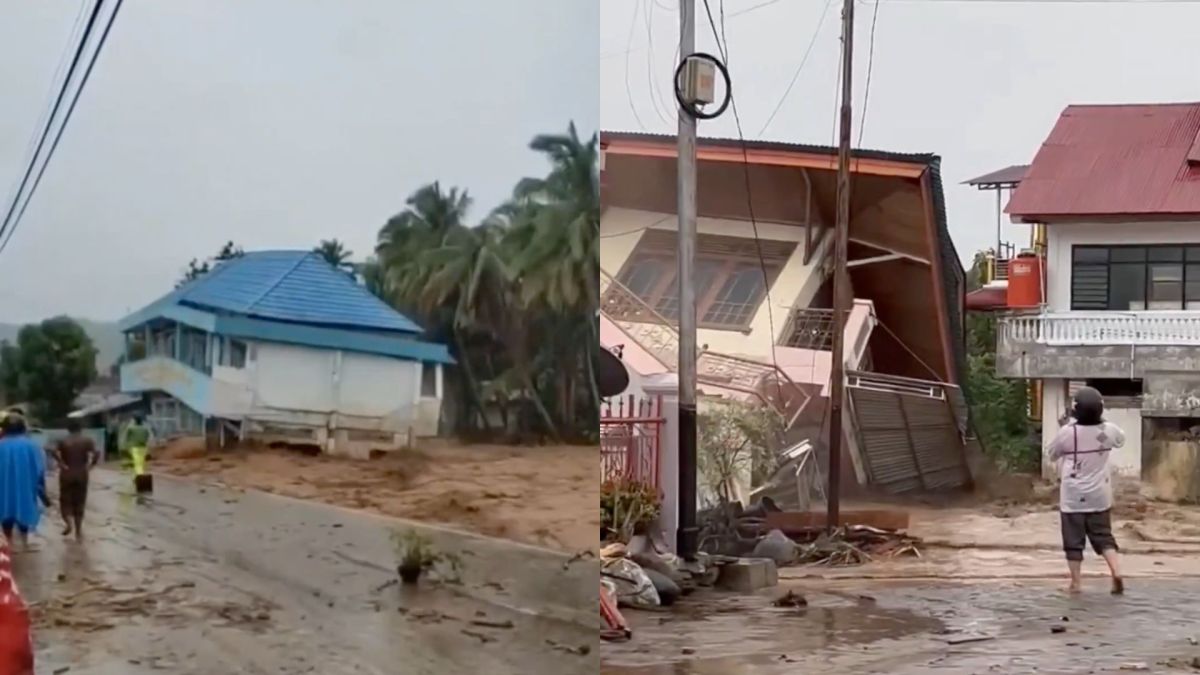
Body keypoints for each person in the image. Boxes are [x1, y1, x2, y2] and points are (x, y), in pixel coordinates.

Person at [1046, 386, 1125, 595]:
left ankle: (1076, 583)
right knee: (1104, 536)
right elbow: (1120, 440)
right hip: (1100, 495)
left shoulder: (1067, 433)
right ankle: (1116, 572)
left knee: (1073, 541)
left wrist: (1067, 426)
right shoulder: (1108, 431)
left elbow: (1052, 454)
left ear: (1076, 410)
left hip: (1073, 497)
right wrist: (1100, 425)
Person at [0, 414, 48, 549]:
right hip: (25, 486)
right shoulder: (32, 446)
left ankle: (8, 543)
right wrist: (41, 489)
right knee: (24, 509)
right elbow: (40, 469)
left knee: (5, 510)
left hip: (3, 487)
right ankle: (24, 543)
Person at [51, 420, 99, 541]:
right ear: (81, 429)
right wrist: (91, 465)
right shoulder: (87, 440)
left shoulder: (63, 440)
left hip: (66, 473)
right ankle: (78, 531)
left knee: (65, 500)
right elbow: (97, 452)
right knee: (80, 501)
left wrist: (61, 463)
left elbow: (52, 450)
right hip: (81, 473)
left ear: (68, 429)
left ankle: (68, 523)